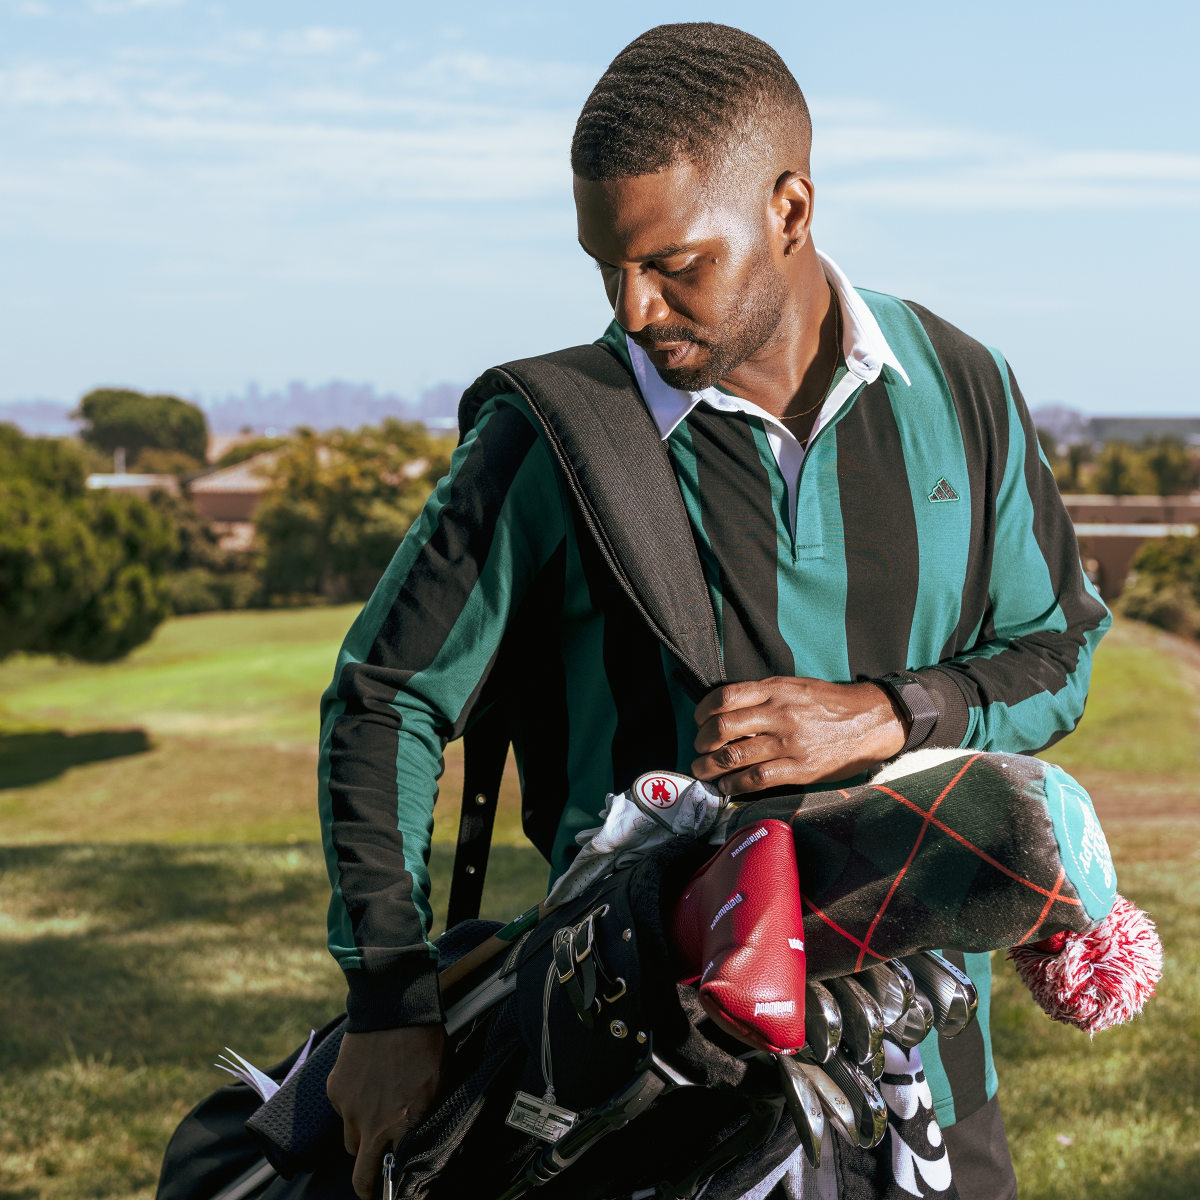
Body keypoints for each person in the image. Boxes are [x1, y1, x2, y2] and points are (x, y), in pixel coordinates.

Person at [318, 22, 1110, 1200]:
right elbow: (386, 698)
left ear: (790, 211)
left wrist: (893, 715)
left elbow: (1063, 653)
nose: (632, 308)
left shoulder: (964, 383)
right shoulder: (551, 435)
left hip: (930, 1070)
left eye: (673, 263)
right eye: (605, 265)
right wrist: (388, 998)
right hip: (640, 1087)